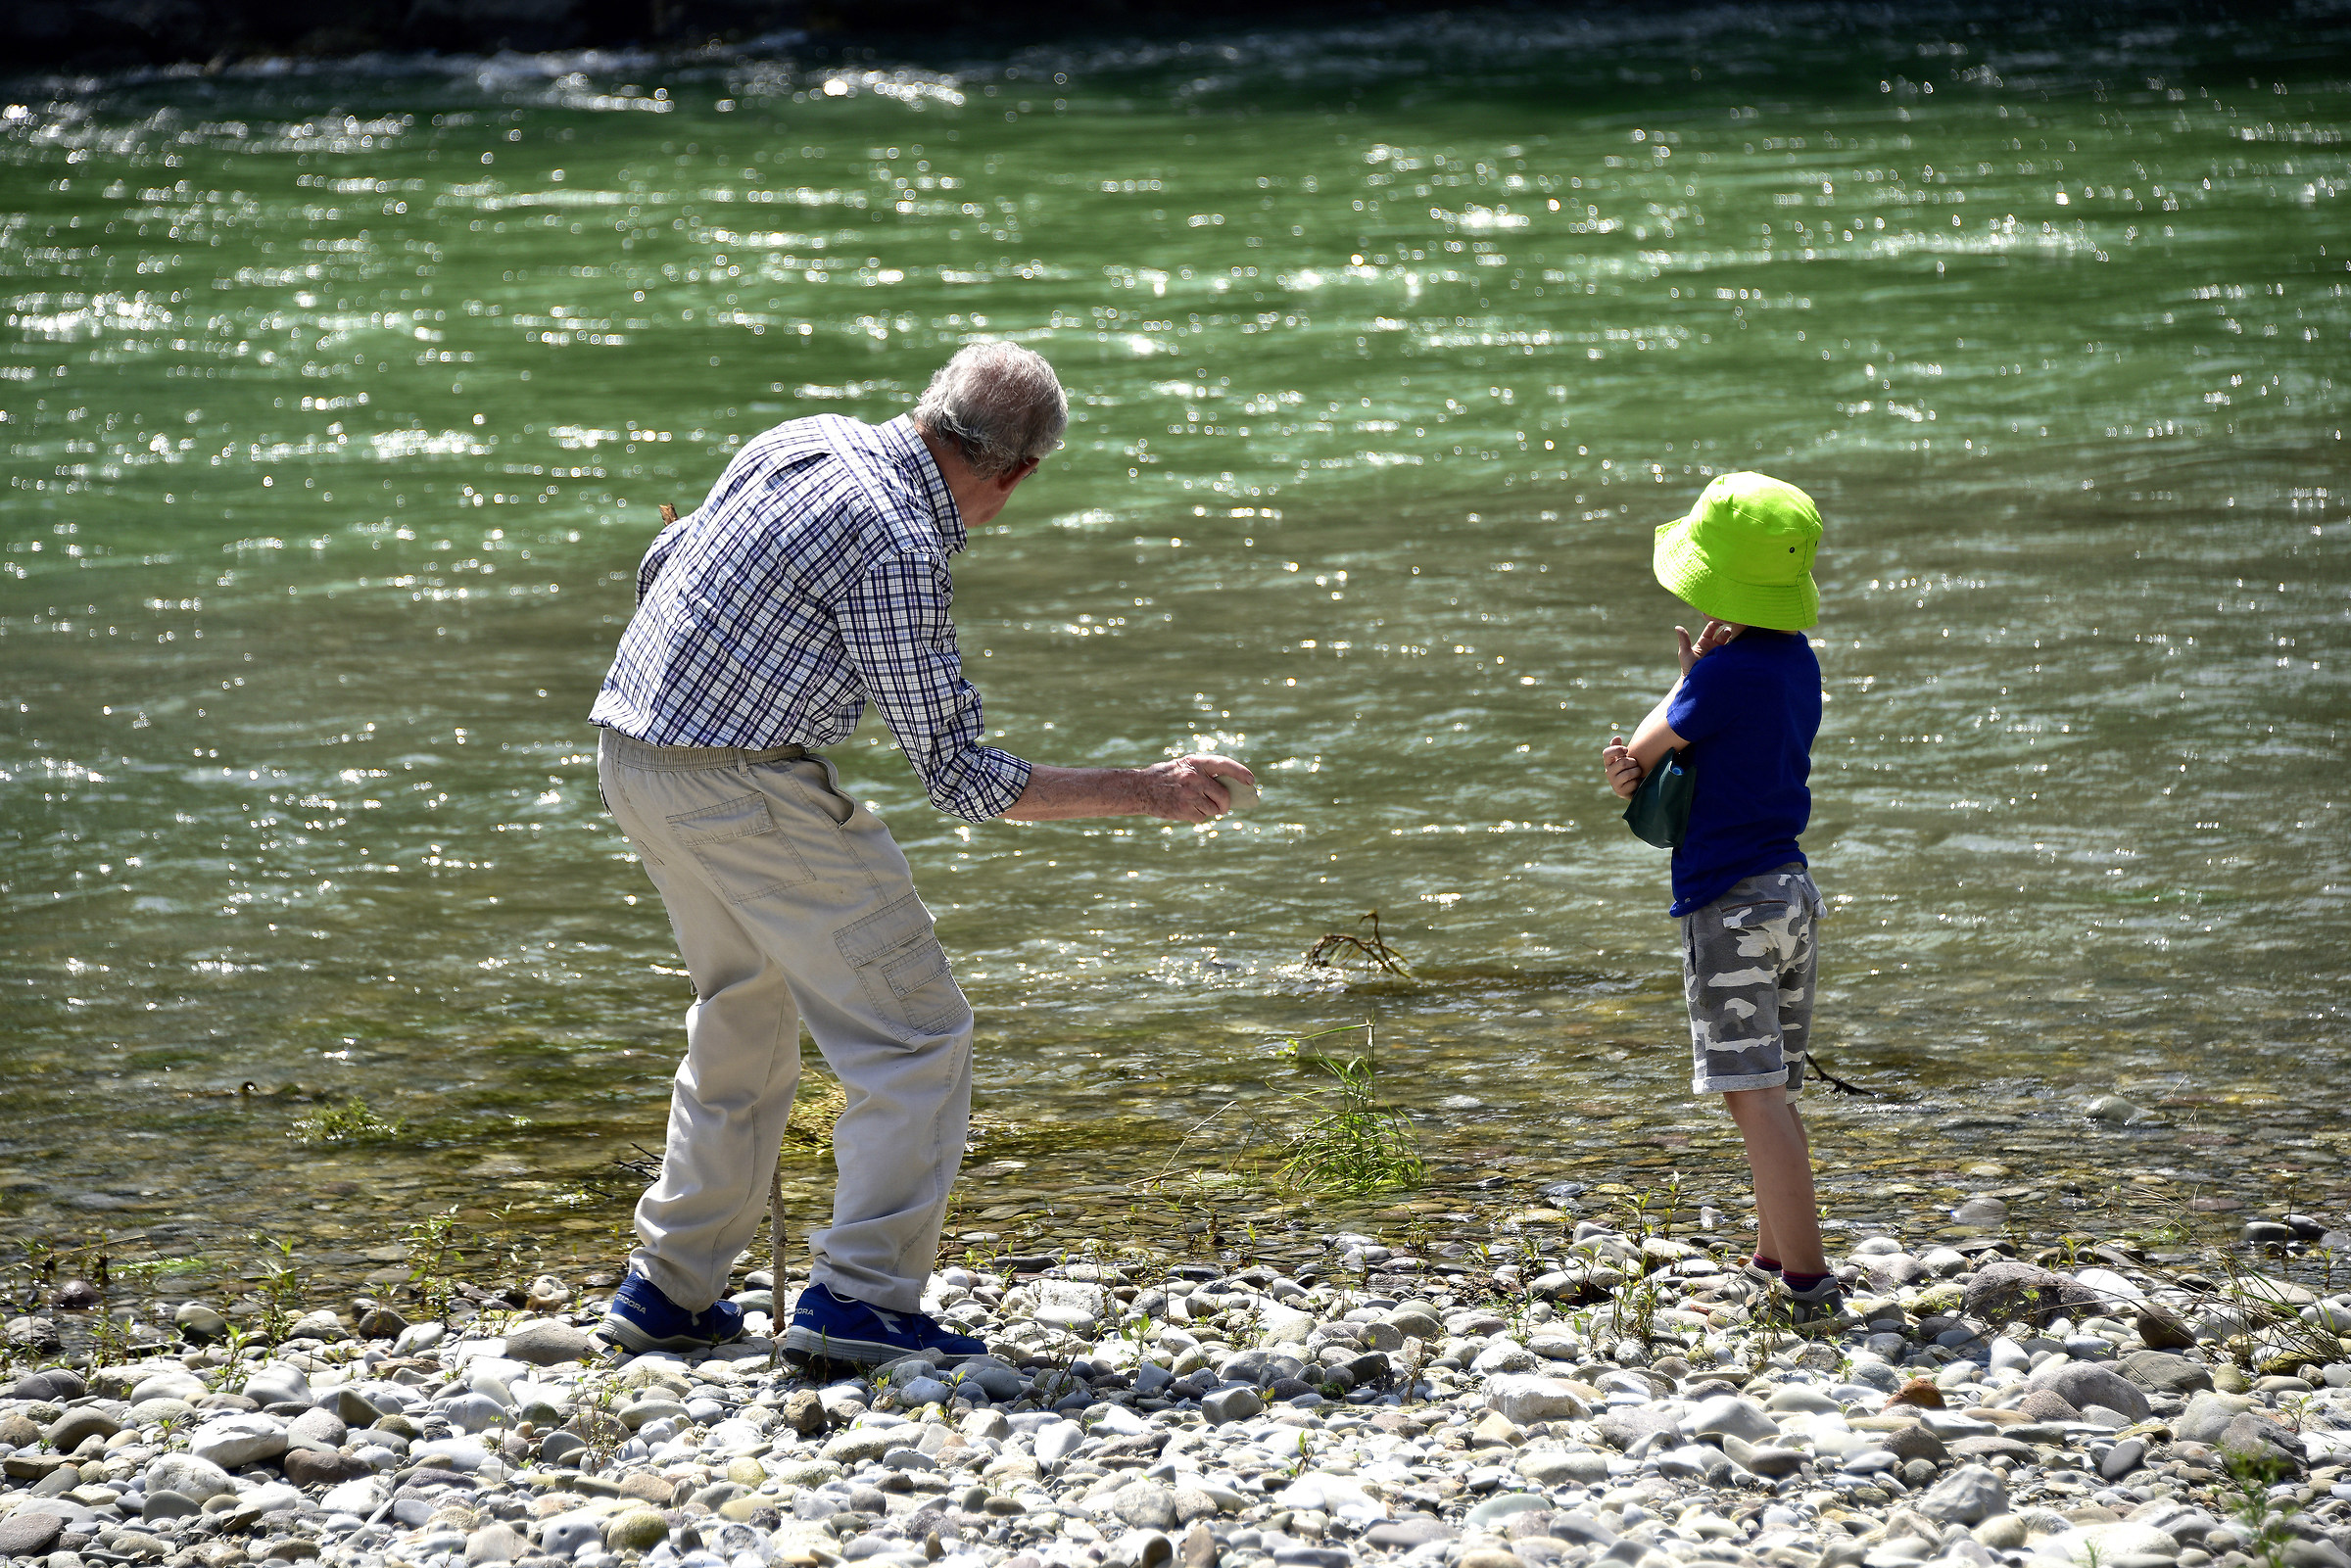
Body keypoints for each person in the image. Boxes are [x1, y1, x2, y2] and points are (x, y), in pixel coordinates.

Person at [588, 342, 1254, 1363]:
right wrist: (1148, 791)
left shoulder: (803, 439)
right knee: (915, 1034)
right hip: (740, 780)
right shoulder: (900, 543)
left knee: (744, 1007)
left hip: (633, 750)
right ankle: (859, 1298)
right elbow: (960, 776)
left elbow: (662, 565)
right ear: (1016, 473)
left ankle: (669, 1288)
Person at [1599, 471, 1843, 1329]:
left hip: (1730, 902)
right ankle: (1773, 1256)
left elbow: (1639, 747)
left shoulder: (1721, 673)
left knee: (1755, 1096)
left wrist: (1685, 679)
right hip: (1791, 893)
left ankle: (1810, 1288)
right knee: (1770, 1085)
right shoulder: (1795, 662)